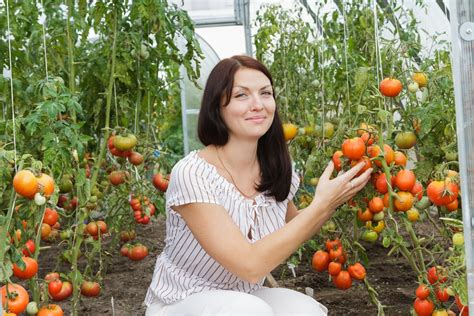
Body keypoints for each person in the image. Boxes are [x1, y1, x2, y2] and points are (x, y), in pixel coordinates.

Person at [144, 55, 372, 315]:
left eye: (266, 93)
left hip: (243, 296)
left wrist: (338, 195)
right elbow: (249, 265)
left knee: (306, 311)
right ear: (217, 107)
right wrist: (322, 204)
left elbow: (294, 227)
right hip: (183, 301)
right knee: (249, 311)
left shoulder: (273, 169)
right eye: (241, 95)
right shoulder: (193, 174)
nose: (258, 105)